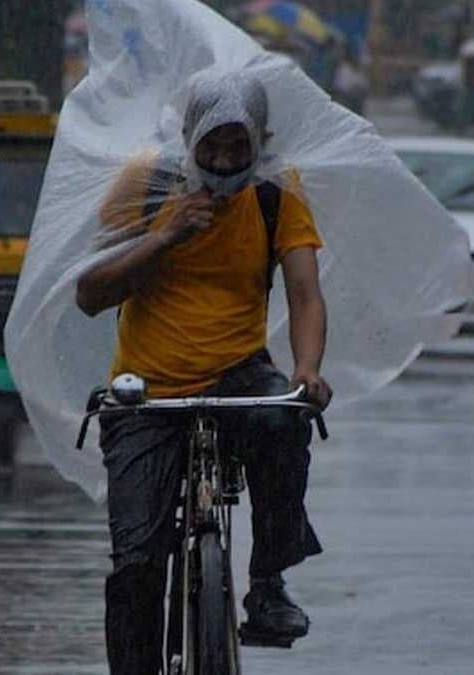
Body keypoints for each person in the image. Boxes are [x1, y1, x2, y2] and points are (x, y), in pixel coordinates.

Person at [75, 72, 331, 674]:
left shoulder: (275, 193)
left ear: (258, 144)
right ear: (189, 136)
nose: (221, 160)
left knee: (284, 421)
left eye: (236, 147)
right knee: (138, 562)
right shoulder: (145, 184)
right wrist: (164, 236)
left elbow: (305, 295)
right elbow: (90, 292)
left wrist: (308, 371)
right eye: (211, 145)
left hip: (238, 374)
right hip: (147, 388)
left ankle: (267, 582)